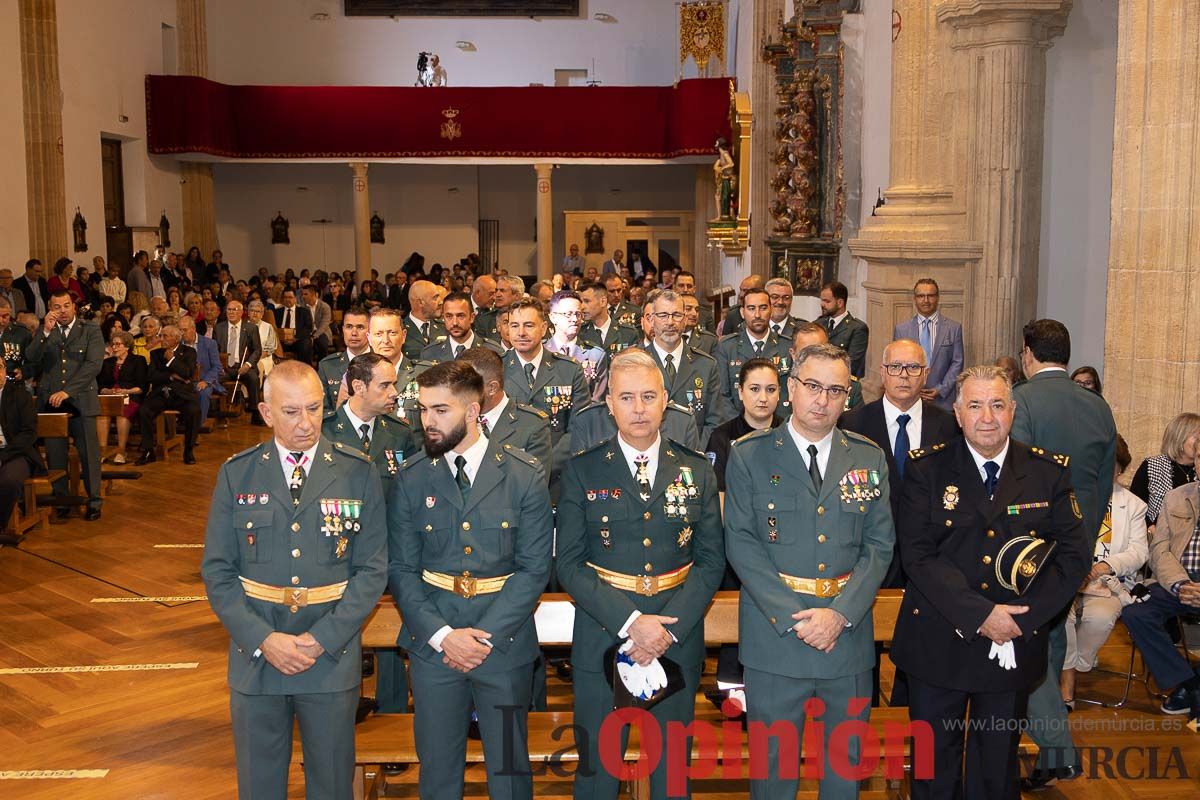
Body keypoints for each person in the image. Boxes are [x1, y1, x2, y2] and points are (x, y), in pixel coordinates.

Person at [891, 365, 1090, 800]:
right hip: (938, 641)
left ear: (1012, 410)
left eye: (997, 405)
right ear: (957, 413)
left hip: (1013, 642)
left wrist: (1021, 620)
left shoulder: (1047, 472)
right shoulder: (926, 469)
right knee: (932, 770)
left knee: (996, 770)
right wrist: (981, 614)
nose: (987, 417)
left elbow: (1072, 559)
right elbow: (918, 555)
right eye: (975, 405)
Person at [201, 360, 387, 800]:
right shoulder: (237, 473)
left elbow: (372, 568)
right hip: (257, 657)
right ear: (266, 413)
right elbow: (218, 571)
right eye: (291, 412)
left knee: (332, 781)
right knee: (260, 782)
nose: (306, 423)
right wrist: (264, 639)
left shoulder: (357, 471)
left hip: (329, 655)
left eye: (315, 408)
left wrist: (323, 638)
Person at [723, 343, 894, 800]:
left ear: (848, 396)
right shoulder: (749, 455)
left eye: (835, 390)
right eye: (813, 386)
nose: (823, 400)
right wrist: (794, 616)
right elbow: (741, 543)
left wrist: (839, 614)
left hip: (846, 638)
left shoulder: (867, 457)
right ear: (791, 389)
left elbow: (879, 545)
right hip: (777, 639)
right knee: (773, 776)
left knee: (844, 775)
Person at [556, 347, 724, 800]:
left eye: (648, 396)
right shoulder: (582, 471)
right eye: (626, 397)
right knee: (598, 774)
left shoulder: (695, 470)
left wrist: (667, 630)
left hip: (676, 637)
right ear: (608, 402)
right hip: (604, 637)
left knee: (672, 775)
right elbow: (568, 563)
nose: (638, 408)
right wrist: (633, 623)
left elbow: (711, 561)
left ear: (665, 399)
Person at [387, 360, 552, 800]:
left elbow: (535, 568)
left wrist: (484, 638)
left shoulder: (523, 473)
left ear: (474, 412)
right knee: (438, 772)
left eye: (441, 410)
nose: (428, 421)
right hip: (433, 645)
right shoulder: (412, 476)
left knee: (510, 772)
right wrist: (443, 636)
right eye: (423, 410)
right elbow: (401, 569)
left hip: (504, 643)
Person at [1011, 319, 1116, 790]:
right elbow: (1101, 484)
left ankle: (1055, 751)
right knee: (1050, 643)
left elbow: (1017, 477)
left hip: (1026, 552)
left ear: (1028, 353)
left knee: (1028, 648)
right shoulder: (1099, 408)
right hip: (1076, 551)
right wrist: (1083, 548)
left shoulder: (1024, 400)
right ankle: (1046, 751)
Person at [839, 339, 960, 589]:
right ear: (883, 373)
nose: (904, 375)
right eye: (895, 367)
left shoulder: (949, 427)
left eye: (913, 367)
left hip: (932, 559)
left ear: (926, 374)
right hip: (870, 558)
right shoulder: (852, 425)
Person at [1060, 434, 1147, 708]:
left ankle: (1076, 663)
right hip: (1067, 579)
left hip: (1106, 582)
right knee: (1062, 618)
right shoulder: (1067, 495)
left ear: (1121, 468)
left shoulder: (1133, 505)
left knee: (1101, 619)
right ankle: (1068, 681)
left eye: (1114, 465)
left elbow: (1139, 552)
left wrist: (1102, 567)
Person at [1122, 446, 1200, 723]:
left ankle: (1189, 687)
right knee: (1135, 612)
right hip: (1177, 580)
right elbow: (1160, 549)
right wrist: (1180, 584)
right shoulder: (1176, 497)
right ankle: (1190, 685)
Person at [25, 289, 105, 520]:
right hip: (52, 402)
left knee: (89, 455)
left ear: (74, 307)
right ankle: (61, 500)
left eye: (66, 305)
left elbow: (93, 366)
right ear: (50, 308)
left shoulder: (90, 330)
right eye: (56, 307)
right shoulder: (45, 332)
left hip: (82, 401)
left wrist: (67, 391)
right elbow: (31, 358)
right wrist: (45, 331)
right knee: (55, 454)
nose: (62, 311)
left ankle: (93, 501)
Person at [501, 298, 588, 458]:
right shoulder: (496, 369)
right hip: (508, 471)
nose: (521, 332)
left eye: (529, 325)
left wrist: (548, 466)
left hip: (558, 472)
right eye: (514, 326)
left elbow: (580, 426)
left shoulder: (569, 370)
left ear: (543, 329)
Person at [644, 290, 731, 444]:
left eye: (676, 315)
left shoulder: (706, 365)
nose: (670, 322)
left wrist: (695, 455)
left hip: (694, 456)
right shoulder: (636, 364)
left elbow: (715, 422)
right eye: (663, 315)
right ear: (651, 319)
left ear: (685, 320)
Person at [457, 348, 551, 471]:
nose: (457, 392)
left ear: (492, 388)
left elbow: (533, 485)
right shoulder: (452, 421)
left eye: (466, 386)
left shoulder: (532, 426)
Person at [713, 287, 792, 415]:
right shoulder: (727, 347)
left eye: (763, 308)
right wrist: (741, 426)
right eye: (751, 308)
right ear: (742, 312)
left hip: (777, 427)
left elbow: (790, 393)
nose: (757, 315)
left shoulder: (787, 347)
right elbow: (722, 396)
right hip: (738, 428)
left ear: (771, 310)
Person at [892, 278, 964, 409]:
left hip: (943, 401)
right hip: (910, 399)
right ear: (915, 299)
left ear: (938, 298)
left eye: (930, 296)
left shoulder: (953, 328)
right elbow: (897, 364)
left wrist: (941, 389)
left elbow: (957, 363)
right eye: (921, 296)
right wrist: (912, 389)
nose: (925, 300)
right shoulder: (902, 330)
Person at [135, 324, 199, 465]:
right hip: (160, 394)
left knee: (194, 411)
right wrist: (171, 376)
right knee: (144, 410)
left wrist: (172, 360)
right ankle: (148, 451)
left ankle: (188, 450)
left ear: (176, 339)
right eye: (161, 335)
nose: (161, 339)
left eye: (165, 336)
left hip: (182, 395)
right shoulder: (155, 354)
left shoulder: (189, 352)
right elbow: (151, 376)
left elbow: (187, 373)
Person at [0, 357, 44, 544]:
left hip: (17, 452)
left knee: (8, 481)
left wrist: (3, 456)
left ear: (4, 371)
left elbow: (29, 433)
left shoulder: (19, 394)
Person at [1129, 412, 1200, 526]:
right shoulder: (1152, 465)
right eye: (1196, 437)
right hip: (1156, 536)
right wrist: (1149, 527)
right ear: (1179, 437)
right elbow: (1133, 506)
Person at [368, 308, 427, 434]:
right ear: (369, 338)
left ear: (404, 335)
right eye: (379, 334)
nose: (385, 340)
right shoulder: (358, 376)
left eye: (392, 333)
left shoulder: (425, 374)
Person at [545, 289, 607, 400]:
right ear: (553, 317)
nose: (575, 319)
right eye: (568, 314)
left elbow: (597, 401)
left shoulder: (595, 355)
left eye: (578, 314)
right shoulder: (541, 351)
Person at [97, 330, 147, 465]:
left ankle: (121, 451)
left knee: (122, 414)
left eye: (118, 345)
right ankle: (103, 451)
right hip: (110, 398)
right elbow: (100, 384)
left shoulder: (138, 360)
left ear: (127, 346)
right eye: (113, 345)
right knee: (102, 414)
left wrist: (126, 391)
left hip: (130, 397)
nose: (114, 347)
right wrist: (107, 390)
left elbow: (142, 386)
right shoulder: (108, 362)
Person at [420, 291, 502, 363]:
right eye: (449, 316)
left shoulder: (493, 351)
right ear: (443, 318)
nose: (455, 323)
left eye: (460, 316)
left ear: (472, 317)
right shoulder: (429, 354)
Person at [215, 300, 263, 421]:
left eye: (234, 310)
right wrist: (218, 364)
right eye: (229, 309)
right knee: (213, 378)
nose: (231, 312)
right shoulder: (219, 328)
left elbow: (257, 350)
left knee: (253, 378)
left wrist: (247, 364)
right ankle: (217, 411)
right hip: (225, 367)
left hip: (243, 366)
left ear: (241, 312)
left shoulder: (251, 328)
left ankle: (255, 412)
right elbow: (214, 350)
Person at [318, 307, 372, 410]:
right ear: (343, 330)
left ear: (369, 330)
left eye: (360, 327)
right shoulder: (327, 366)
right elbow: (322, 410)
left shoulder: (382, 363)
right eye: (349, 327)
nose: (354, 333)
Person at [817, 281, 869, 379]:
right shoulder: (819, 323)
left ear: (840, 303)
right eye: (822, 300)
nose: (822, 304)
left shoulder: (857, 329)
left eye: (827, 301)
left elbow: (852, 364)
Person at [179, 314, 224, 427]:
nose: (181, 333)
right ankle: (181, 423)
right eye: (179, 330)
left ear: (193, 329)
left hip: (204, 380)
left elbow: (217, 367)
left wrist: (206, 381)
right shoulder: (178, 345)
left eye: (184, 330)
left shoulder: (210, 344)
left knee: (202, 392)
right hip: (184, 381)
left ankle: (198, 425)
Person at [577, 281, 638, 356]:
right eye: (581, 302)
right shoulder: (579, 333)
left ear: (603, 301)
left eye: (587, 301)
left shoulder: (628, 333)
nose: (582, 307)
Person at [403, 280, 448, 361]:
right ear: (420, 302)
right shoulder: (400, 330)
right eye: (435, 297)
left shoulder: (444, 327)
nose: (441, 302)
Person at [275, 288, 314, 364]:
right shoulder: (277, 312)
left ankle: (304, 369)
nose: (287, 300)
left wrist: (295, 338)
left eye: (290, 297)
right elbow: (274, 327)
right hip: (281, 340)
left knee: (305, 343)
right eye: (285, 297)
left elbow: (308, 328)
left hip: (298, 340)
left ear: (295, 299)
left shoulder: (303, 311)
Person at [0, 299, 32, 380]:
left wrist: (23, 372)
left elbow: (34, 361)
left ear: (10, 313)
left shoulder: (22, 333)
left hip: (12, 383)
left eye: (5, 316)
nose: (1, 321)